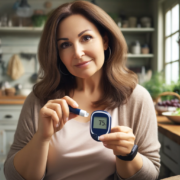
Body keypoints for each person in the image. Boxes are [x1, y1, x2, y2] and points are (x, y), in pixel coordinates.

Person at [4, 1, 160, 180]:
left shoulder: (137, 98)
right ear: (58, 54)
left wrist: (128, 154)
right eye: (65, 44)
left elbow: (151, 174)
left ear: (105, 40)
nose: (77, 52)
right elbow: (12, 175)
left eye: (86, 38)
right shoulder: (38, 100)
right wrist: (42, 138)